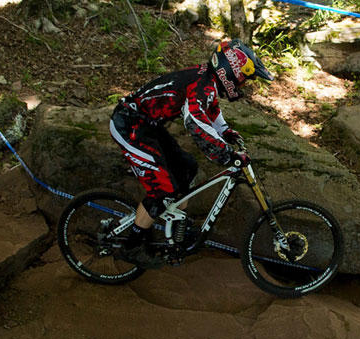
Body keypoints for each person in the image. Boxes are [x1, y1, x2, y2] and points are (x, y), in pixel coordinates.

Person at [109, 39, 274, 268]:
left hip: (146, 126)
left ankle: (177, 227)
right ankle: (132, 246)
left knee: (187, 167)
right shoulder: (202, 83)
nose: (243, 84)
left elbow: (211, 110)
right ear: (231, 71)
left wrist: (226, 132)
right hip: (128, 127)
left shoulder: (207, 80)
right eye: (244, 78)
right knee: (163, 190)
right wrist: (225, 154)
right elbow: (195, 120)